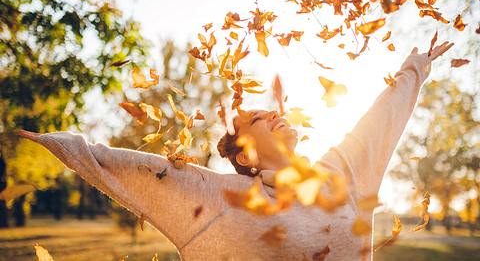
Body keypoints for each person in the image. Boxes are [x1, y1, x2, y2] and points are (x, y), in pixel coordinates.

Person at [18, 42, 453, 261]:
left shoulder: (344, 172)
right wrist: (61, 145)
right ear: (244, 155)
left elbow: (380, 119)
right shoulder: (223, 197)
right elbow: (139, 169)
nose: (275, 113)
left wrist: (415, 66)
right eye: (260, 119)